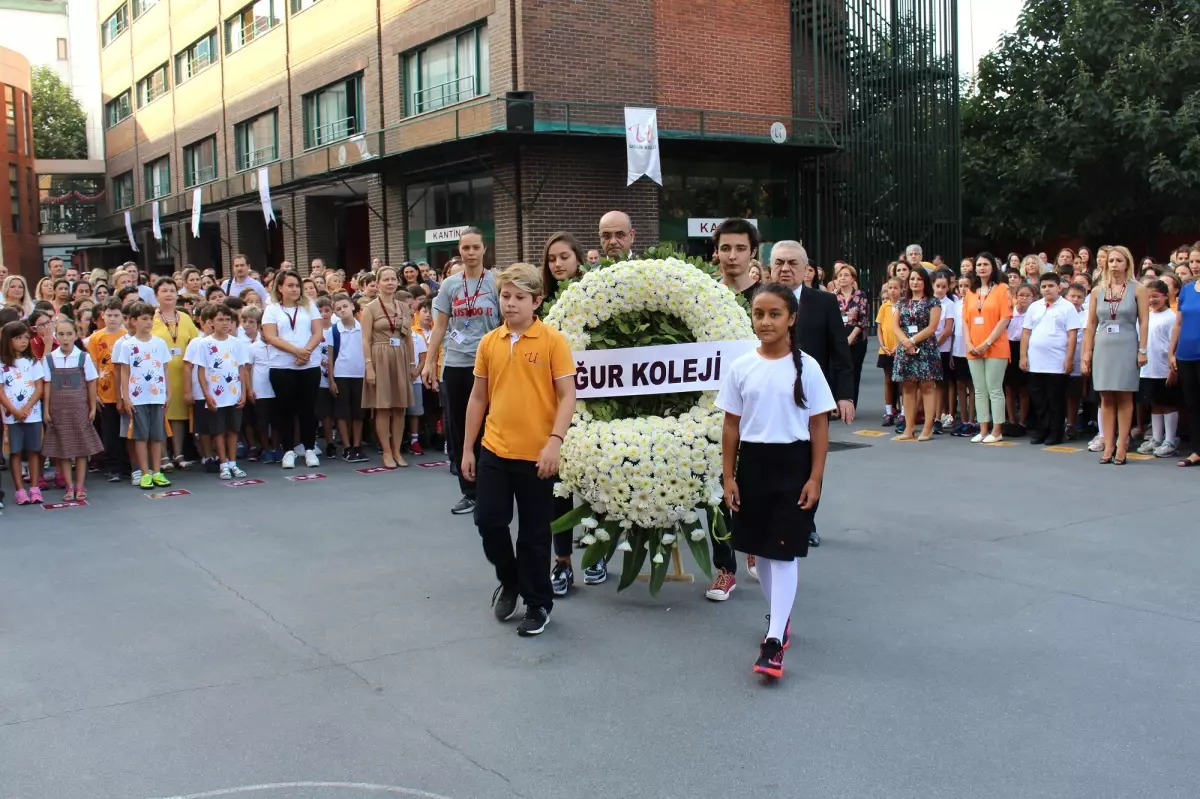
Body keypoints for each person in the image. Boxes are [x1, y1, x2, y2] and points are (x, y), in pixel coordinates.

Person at [716, 284, 835, 679]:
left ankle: (772, 642)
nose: (765, 322)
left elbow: (819, 426)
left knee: (783, 552)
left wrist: (815, 477)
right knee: (762, 552)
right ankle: (779, 619)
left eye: (774, 314)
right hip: (753, 466)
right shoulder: (741, 367)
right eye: (759, 314)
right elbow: (731, 426)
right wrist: (729, 476)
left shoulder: (809, 367)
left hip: (793, 465)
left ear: (792, 318)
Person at [461, 263, 576, 637]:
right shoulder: (489, 342)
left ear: (536, 301)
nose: (509, 304)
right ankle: (510, 580)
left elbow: (567, 395)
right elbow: (478, 397)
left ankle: (538, 603)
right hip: (494, 448)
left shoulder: (552, 342)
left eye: (519, 298)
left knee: (534, 535)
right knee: (488, 521)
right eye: (505, 296)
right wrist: (467, 449)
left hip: (538, 454)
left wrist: (554, 443)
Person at [768, 240, 853, 550]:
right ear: (770, 267)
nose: (786, 269)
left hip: (810, 399)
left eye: (793, 263)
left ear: (806, 270)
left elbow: (840, 352)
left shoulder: (824, 303)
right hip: (768, 397)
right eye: (779, 263)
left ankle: (806, 522)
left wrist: (845, 395)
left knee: (809, 461)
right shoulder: (757, 300)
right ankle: (772, 518)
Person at [421, 227, 501, 515]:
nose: (470, 253)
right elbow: (440, 326)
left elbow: (505, 322)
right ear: (460, 250)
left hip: (491, 365)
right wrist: (431, 361)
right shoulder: (450, 285)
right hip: (456, 364)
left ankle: (494, 488)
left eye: (475, 248)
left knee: (491, 426)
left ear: (484, 250)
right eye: (465, 248)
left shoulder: (496, 282)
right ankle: (470, 491)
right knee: (459, 427)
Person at [1082, 245, 1148, 464]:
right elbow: (1091, 323)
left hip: (1127, 343)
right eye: (1111, 261)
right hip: (1103, 345)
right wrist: (1087, 353)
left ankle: (1122, 444)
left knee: (1125, 395)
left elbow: (1144, 322)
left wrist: (1142, 350)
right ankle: (1108, 444)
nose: (1114, 265)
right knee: (1106, 397)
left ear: (1127, 263)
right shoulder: (1097, 291)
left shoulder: (1137, 289)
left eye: (1119, 260)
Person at [261, 269, 324, 469]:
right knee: (284, 409)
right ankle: (288, 449)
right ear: (280, 288)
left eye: (297, 285)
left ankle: (309, 449)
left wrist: (305, 352)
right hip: (282, 365)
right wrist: (296, 351)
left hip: (308, 365)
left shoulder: (309, 306)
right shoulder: (272, 309)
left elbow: (317, 331)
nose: (295, 289)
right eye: (290, 285)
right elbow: (271, 336)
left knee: (307, 408)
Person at [42, 317, 103, 501]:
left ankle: (80, 484)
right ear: (56, 336)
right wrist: (46, 410)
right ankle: (69, 486)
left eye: (69, 334)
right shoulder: (50, 358)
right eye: (61, 334)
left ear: (76, 335)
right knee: (64, 450)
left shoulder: (83, 357)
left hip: (79, 408)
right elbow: (47, 385)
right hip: (58, 410)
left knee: (81, 449)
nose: (65, 338)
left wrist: (92, 408)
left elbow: (91, 383)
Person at [113, 302, 172, 489]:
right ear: (133, 321)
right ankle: (144, 473)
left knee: (156, 436)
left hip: (157, 396)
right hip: (137, 397)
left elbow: (165, 369)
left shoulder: (160, 343)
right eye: (144, 319)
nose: (148, 322)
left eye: (150, 318)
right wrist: (125, 397)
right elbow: (124, 371)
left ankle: (157, 472)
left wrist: (168, 393)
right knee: (140, 436)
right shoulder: (127, 345)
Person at [362, 265, 415, 469]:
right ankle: (385, 450)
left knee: (400, 406)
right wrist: (369, 366)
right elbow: (365, 340)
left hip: (400, 355)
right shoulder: (370, 308)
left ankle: (397, 449)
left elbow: (409, 338)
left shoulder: (403, 307)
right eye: (386, 279)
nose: (390, 283)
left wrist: (412, 363)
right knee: (383, 407)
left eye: (393, 279)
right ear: (378, 283)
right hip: (379, 355)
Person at [1020, 273, 1080, 446]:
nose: (1047, 289)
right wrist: (1023, 356)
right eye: (1044, 286)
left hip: (1056, 362)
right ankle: (1042, 429)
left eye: (1051, 286)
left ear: (1059, 288)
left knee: (1055, 399)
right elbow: (1026, 332)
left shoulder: (1067, 307)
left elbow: (1072, 334)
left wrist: (1069, 359)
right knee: (1039, 399)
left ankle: (1056, 432)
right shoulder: (1034, 307)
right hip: (1036, 361)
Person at [196, 304, 250, 479]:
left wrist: (243, 392)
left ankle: (233, 463)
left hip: (234, 394)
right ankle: (223, 463)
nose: (225, 323)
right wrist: (206, 394)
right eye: (220, 319)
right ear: (211, 322)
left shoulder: (237, 343)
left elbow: (242, 368)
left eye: (228, 320)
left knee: (233, 429)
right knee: (218, 430)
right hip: (216, 395)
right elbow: (201, 371)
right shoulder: (205, 343)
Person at [964, 252, 1013, 444]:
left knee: (994, 389)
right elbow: (965, 321)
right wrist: (969, 344)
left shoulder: (1002, 289)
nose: (981, 268)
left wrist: (986, 343)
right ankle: (983, 429)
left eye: (985, 264)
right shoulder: (971, 291)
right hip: (973, 347)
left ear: (993, 267)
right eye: (978, 265)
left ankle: (997, 430)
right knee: (979, 389)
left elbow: (1005, 318)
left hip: (995, 346)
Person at [152, 278, 200, 471]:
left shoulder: (185, 317)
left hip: (183, 372)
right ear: (157, 295)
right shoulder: (152, 318)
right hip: (159, 372)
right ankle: (163, 456)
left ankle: (178, 453)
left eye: (172, 290)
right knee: (161, 414)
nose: (169, 294)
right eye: (164, 290)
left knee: (179, 416)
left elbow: (195, 342)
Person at [891, 267, 943, 441]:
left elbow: (932, 327)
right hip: (905, 348)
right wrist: (905, 342)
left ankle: (928, 427)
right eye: (912, 279)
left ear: (925, 282)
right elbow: (895, 326)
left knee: (927, 386)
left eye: (919, 279)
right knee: (907, 387)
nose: (915, 282)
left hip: (925, 348)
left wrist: (912, 341)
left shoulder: (933, 302)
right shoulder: (902, 302)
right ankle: (909, 427)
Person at [1, 320, 46, 504]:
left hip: (33, 415)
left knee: (34, 450)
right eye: (18, 338)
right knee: (16, 452)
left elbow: (39, 388)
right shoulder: (3, 363)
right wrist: (14, 410)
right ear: (8, 340)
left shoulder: (32, 362)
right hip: (12, 417)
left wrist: (27, 408)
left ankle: (34, 488)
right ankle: (20, 490)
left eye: (26, 337)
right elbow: (1, 391)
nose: (23, 341)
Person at [1135, 280, 1180, 458]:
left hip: (1164, 368)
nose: (1152, 300)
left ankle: (1170, 439)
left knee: (1167, 404)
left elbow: (1173, 344)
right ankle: (1156, 437)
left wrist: (1172, 369)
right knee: (1154, 404)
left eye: (1156, 296)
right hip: (1148, 368)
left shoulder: (1171, 317)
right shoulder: (1146, 317)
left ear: (1165, 296)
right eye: (1149, 297)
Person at [1168, 243, 1200, 467]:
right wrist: (1172, 351)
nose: (1195, 266)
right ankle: (1197, 450)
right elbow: (1178, 323)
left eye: (1199, 262)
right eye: (1192, 262)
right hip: (1186, 354)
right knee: (1193, 404)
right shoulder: (1187, 290)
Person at [327, 293, 368, 462]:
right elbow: (330, 357)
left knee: (359, 412)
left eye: (345, 306)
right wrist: (331, 380)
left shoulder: (363, 327)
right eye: (338, 309)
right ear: (335, 313)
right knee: (343, 413)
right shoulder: (334, 330)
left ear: (352, 306)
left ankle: (357, 444)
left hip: (360, 375)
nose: (342, 310)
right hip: (342, 374)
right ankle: (346, 446)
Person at [832, 263, 870, 407]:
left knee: (854, 370)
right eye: (840, 275)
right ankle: (836, 403)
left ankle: (851, 403)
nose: (842, 278)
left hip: (856, 338)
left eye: (846, 275)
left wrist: (850, 338)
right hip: (837, 338)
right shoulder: (833, 296)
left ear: (853, 278)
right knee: (837, 370)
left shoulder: (860, 295)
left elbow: (863, 320)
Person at [1003, 283, 1035, 433]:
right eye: (1021, 295)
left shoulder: (1033, 314)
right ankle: (1011, 419)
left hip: (1026, 349)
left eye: (1028, 295)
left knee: (1023, 388)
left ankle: (1022, 420)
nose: (1024, 298)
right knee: (1009, 387)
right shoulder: (1010, 313)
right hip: (1009, 347)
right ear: (1016, 297)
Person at [714, 218, 761, 302]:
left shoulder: (764, 296)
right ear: (717, 252)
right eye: (725, 249)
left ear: (753, 252)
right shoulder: (706, 294)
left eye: (740, 249)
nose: (732, 256)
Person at [876, 276, 901, 425]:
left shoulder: (904, 305)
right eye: (889, 288)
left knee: (902, 381)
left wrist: (898, 346)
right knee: (888, 380)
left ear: (902, 289)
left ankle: (903, 411)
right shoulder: (884, 306)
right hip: (885, 350)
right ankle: (888, 411)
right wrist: (883, 345)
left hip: (899, 349)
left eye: (895, 288)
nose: (892, 291)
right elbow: (879, 328)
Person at [541, 231, 585, 304]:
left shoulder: (592, 292)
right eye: (552, 259)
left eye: (564, 257)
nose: (557, 264)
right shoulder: (542, 300)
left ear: (578, 259)